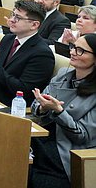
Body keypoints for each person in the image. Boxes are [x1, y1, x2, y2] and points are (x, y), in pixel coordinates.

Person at [29, 34, 96, 187]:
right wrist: (41, 107)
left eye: (81, 51)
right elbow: (35, 106)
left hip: (66, 151)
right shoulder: (62, 76)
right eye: (73, 47)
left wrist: (59, 112)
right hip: (44, 136)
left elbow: (82, 136)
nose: (72, 52)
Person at [0, 0, 55, 106]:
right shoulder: (8, 39)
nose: (11, 20)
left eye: (18, 18)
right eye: (13, 15)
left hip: (11, 106)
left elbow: (23, 90)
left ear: (34, 25)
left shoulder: (42, 54)